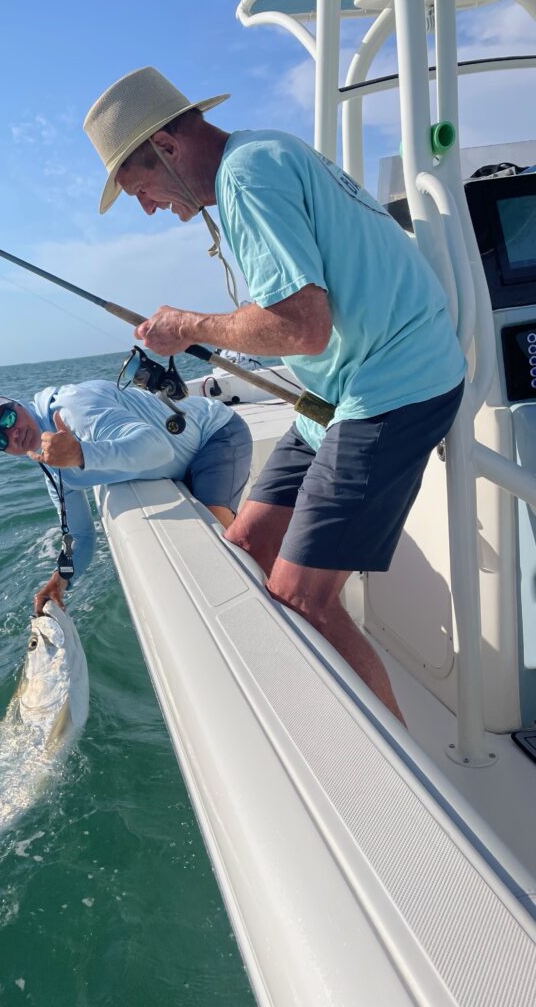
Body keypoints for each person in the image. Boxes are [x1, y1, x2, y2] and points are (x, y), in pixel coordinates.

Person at [82, 67, 467, 722]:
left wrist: (189, 326)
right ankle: (337, 676)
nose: (148, 209)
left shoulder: (245, 178)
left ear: (169, 150)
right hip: (339, 392)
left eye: (138, 187)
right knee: (250, 546)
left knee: (297, 595)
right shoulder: (263, 148)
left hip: (396, 386)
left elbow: (301, 327)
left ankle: (400, 774)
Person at [0, 380, 252, 614]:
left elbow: (159, 448)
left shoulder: (74, 410)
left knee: (215, 544)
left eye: (8, 418)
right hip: (179, 464)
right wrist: (60, 580)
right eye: (0, 440)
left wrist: (81, 454)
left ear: (19, 405)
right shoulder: (51, 463)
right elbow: (81, 535)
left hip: (215, 434)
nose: (12, 433)